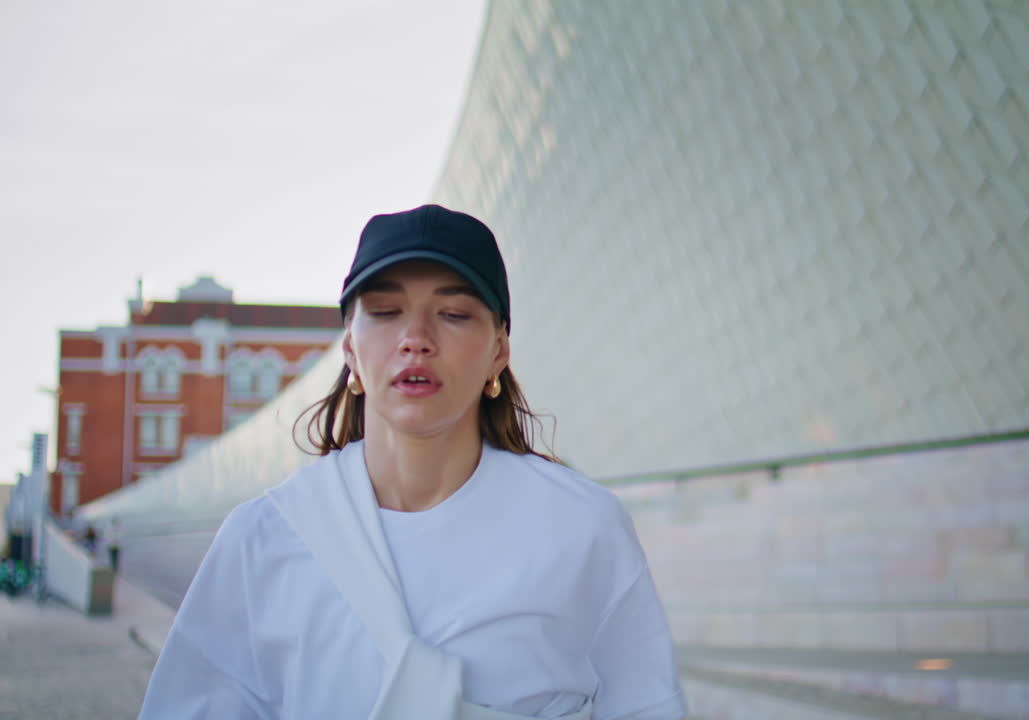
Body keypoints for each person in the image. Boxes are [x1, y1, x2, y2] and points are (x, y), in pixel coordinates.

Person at [138, 205, 687, 720]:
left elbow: (648, 704)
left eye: (452, 313)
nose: (415, 340)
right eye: (384, 312)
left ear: (499, 350)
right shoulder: (264, 537)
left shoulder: (581, 526)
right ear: (350, 352)